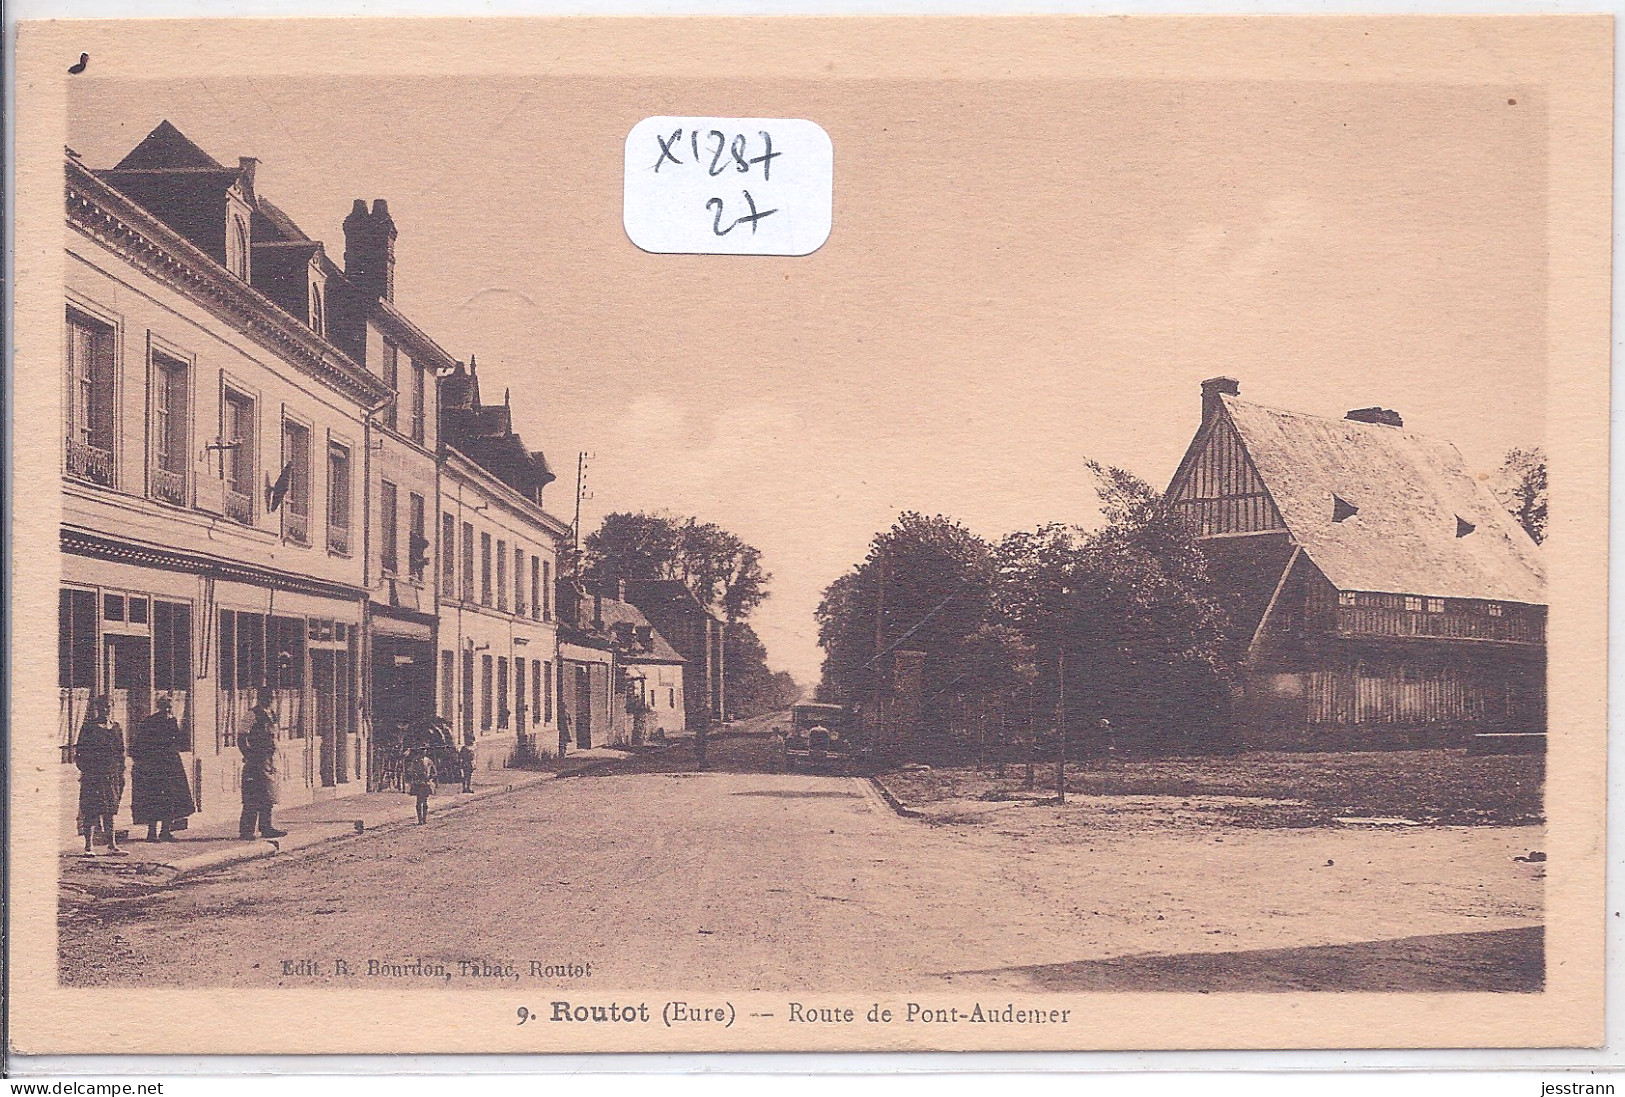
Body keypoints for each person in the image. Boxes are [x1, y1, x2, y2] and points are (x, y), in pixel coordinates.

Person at [130, 695, 195, 842]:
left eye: (169, 707)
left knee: (171, 798)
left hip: (171, 765)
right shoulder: (150, 722)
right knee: (155, 799)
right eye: (165, 706)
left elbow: (179, 740)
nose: (167, 709)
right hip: (155, 766)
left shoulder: (172, 721)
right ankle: (151, 832)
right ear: (159, 707)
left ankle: (166, 831)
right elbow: (140, 744)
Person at [75, 697, 127, 857]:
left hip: (111, 775)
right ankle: (88, 846)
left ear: (112, 707)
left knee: (110, 811)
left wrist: (120, 772)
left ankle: (112, 845)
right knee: (91, 810)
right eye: (102, 707)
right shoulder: (89, 727)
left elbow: (120, 751)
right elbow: (80, 752)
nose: (106, 710)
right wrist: (87, 770)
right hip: (94, 775)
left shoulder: (116, 727)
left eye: (109, 707)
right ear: (97, 709)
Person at [239, 688, 287, 839]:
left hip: (270, 760)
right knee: (253, 795)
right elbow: (241, 737)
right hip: (256, 760)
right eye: (267, 697)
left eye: (272, 698)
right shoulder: (251, 714)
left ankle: (266, 827)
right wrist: (249, 755)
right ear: (260, 698)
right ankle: (246, 831)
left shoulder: (272, 715)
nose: (270, 700)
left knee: (268, 794)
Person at [408, 747, 437, 824]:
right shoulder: (415, 761)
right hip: (418, 783)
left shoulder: (428, 761)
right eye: (422, 749)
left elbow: (434, 772)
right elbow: (411, 771)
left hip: (426, 783)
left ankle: (424, 819)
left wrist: (430, 778)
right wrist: (416, 775)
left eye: (425, 749)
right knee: (418, 802)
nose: (424, 751)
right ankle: (419, 819)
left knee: (425, 801)